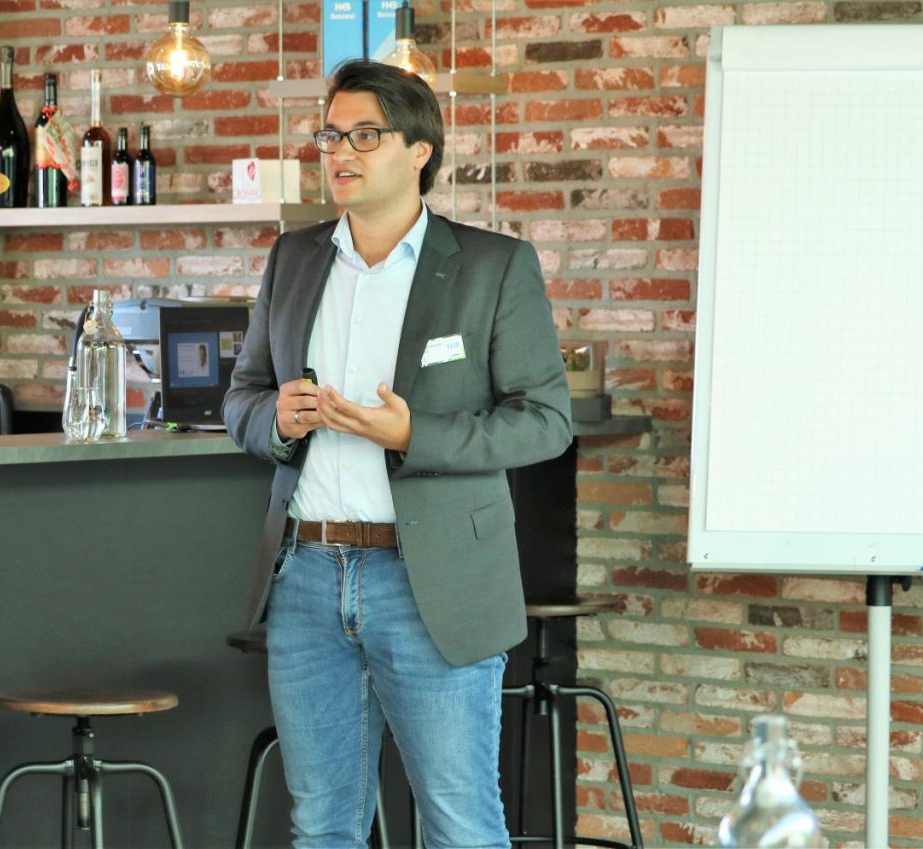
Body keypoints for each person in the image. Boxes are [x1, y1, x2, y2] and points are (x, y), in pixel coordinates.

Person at [222, 59, 572, 849]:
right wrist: (276, 418)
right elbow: (241, 397)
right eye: (330, 135)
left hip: (430, 584)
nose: (340, 152)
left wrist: (413, 435)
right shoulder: (293, 259)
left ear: (420, 151)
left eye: (365, 136)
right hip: (307, 578)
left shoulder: (492, 266)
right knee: (322, 826)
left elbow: (546, 422)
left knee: (460, 826)